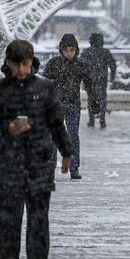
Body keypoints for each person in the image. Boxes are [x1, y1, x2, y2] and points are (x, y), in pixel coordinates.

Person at [0, 39, 73, 259]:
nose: (21, 70)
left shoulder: (45, 88)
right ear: (7, 63)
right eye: (16, 65)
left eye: (26, 64)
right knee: (9, 220)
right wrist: (7, 129)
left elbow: (56, 122)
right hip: (8, 165)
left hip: (38, 163)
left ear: (32, 63)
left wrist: (67, 152)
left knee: (39, 219)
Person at [44, 33, 87, 180]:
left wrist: (95, 104)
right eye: (66, 50)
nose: (69, 53)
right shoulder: (54, 64)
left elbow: (90, 85)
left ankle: (74, 168)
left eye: (72, 50)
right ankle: (49, 169)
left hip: (73, 105)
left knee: (73, 136)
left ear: (76, 50)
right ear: (61, 50)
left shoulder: (80, 65)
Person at [81, 32, 117, 130]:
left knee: (91, 99)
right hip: (102, 79)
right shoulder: (106, 52)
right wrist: (112, 76)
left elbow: (80, 66)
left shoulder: (86, 52)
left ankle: (91, 120)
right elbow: (113, 65)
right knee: (102, 99)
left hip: (89, 79)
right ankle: (102, 120)